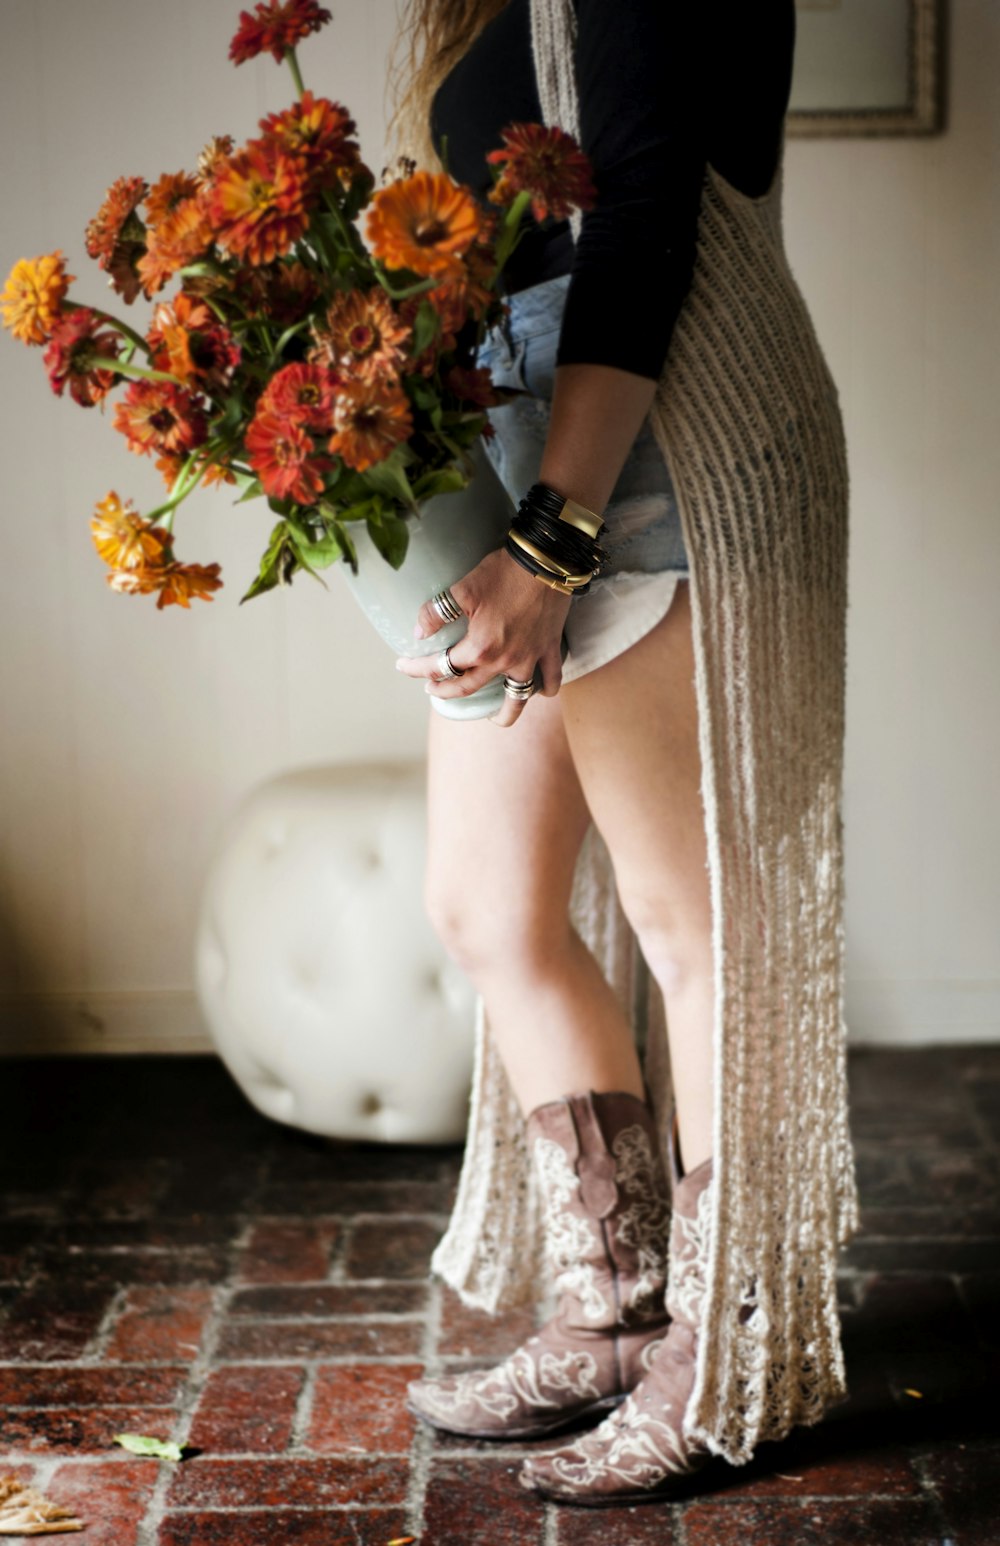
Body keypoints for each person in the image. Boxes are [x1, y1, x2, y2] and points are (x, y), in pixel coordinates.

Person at [389, 0, 859, 1505]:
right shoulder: (461, 9)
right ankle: (619, 1299)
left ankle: (728, 1346)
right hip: (536, 444)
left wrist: (550, 535)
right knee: (486, 897)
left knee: (690, 921)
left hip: (655, 435)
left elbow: (643, 215)